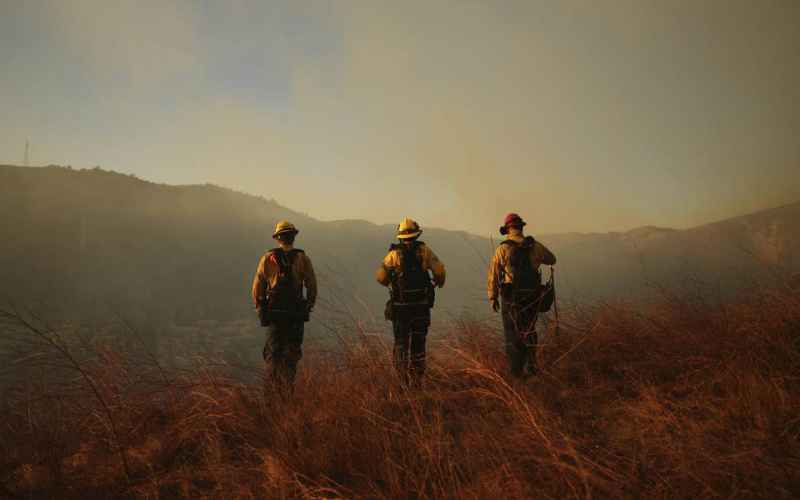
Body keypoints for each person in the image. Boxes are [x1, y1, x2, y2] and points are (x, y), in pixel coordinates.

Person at [376, 217, 446, 386]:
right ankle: (417, 381)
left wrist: (392, 283)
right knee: (419, 343)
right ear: (416, 234)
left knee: (401, 343)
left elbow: (380, 277)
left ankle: (401, 383)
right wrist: (438, 283)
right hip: (421, 306)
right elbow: (440, 271)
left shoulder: (393, 255)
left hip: (401, 308)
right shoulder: (425, 251)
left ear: (400, 236)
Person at [251, 220, 317, 395]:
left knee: (273, 354)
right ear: (293, 237)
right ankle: (287, 394)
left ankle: (271, 396)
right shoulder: (302, 258)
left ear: (278, 238)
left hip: (274, 314)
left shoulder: (267, 258)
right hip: (295, 315)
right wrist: (308, 306)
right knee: (291, 355)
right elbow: (312, 285)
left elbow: (258, 287)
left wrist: (260, 308)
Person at [487, 213, 556, 377]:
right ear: (521, 227)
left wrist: (493, 296)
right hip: (533, 295)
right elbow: (552, 259)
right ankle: (531, 365)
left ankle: (516, 372)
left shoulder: (502, 249)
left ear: (508, 229)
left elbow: (493, 275)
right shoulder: (535, 246)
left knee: (512, 332)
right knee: (529, 329)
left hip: (511, 297)